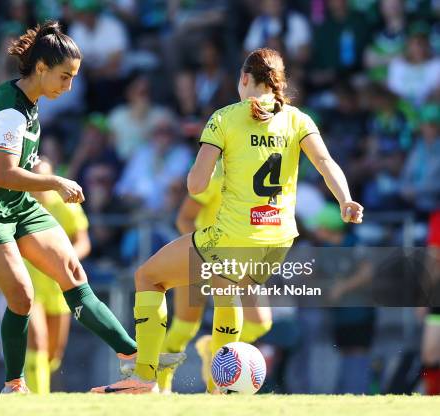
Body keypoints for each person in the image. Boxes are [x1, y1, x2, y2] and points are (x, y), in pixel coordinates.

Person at [92, 47, 364, 394]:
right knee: (228, 296)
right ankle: (219, 388)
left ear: (244, 79)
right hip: (278, 239)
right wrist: (346, 200)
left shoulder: (224, 118)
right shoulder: (298, 119)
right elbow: (326, 163)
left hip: (233, 234)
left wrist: (200, 167)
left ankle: (145, 377)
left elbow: (196, 184)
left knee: (148, 277)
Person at [0, 21, 182, 394]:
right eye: (64, 76)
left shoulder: (28, 102)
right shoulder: (10, 109)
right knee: (22, 297)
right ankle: (14, 386)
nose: (69, 85)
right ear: (41, 68)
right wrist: (56, 182)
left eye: (73, 77)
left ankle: (133, 361)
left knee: (74, 272)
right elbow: (5, 174)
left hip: (16, 205)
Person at [157, 157, 273, 394]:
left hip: (239, 258)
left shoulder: (266, 178)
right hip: (201, 256)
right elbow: (184, 219)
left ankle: (214, 348)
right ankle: (161, 385)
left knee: (261, 323)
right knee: (184, 328)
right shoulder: (215, 177)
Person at [23, 157, 90, 394]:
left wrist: (66, 258)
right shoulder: (19, 203)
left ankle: (35, 385)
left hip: (59, 286)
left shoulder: (66, 204)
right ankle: (37, 403)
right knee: (37, 340)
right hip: (29, 285)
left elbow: (83, 242)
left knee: (53, 354)